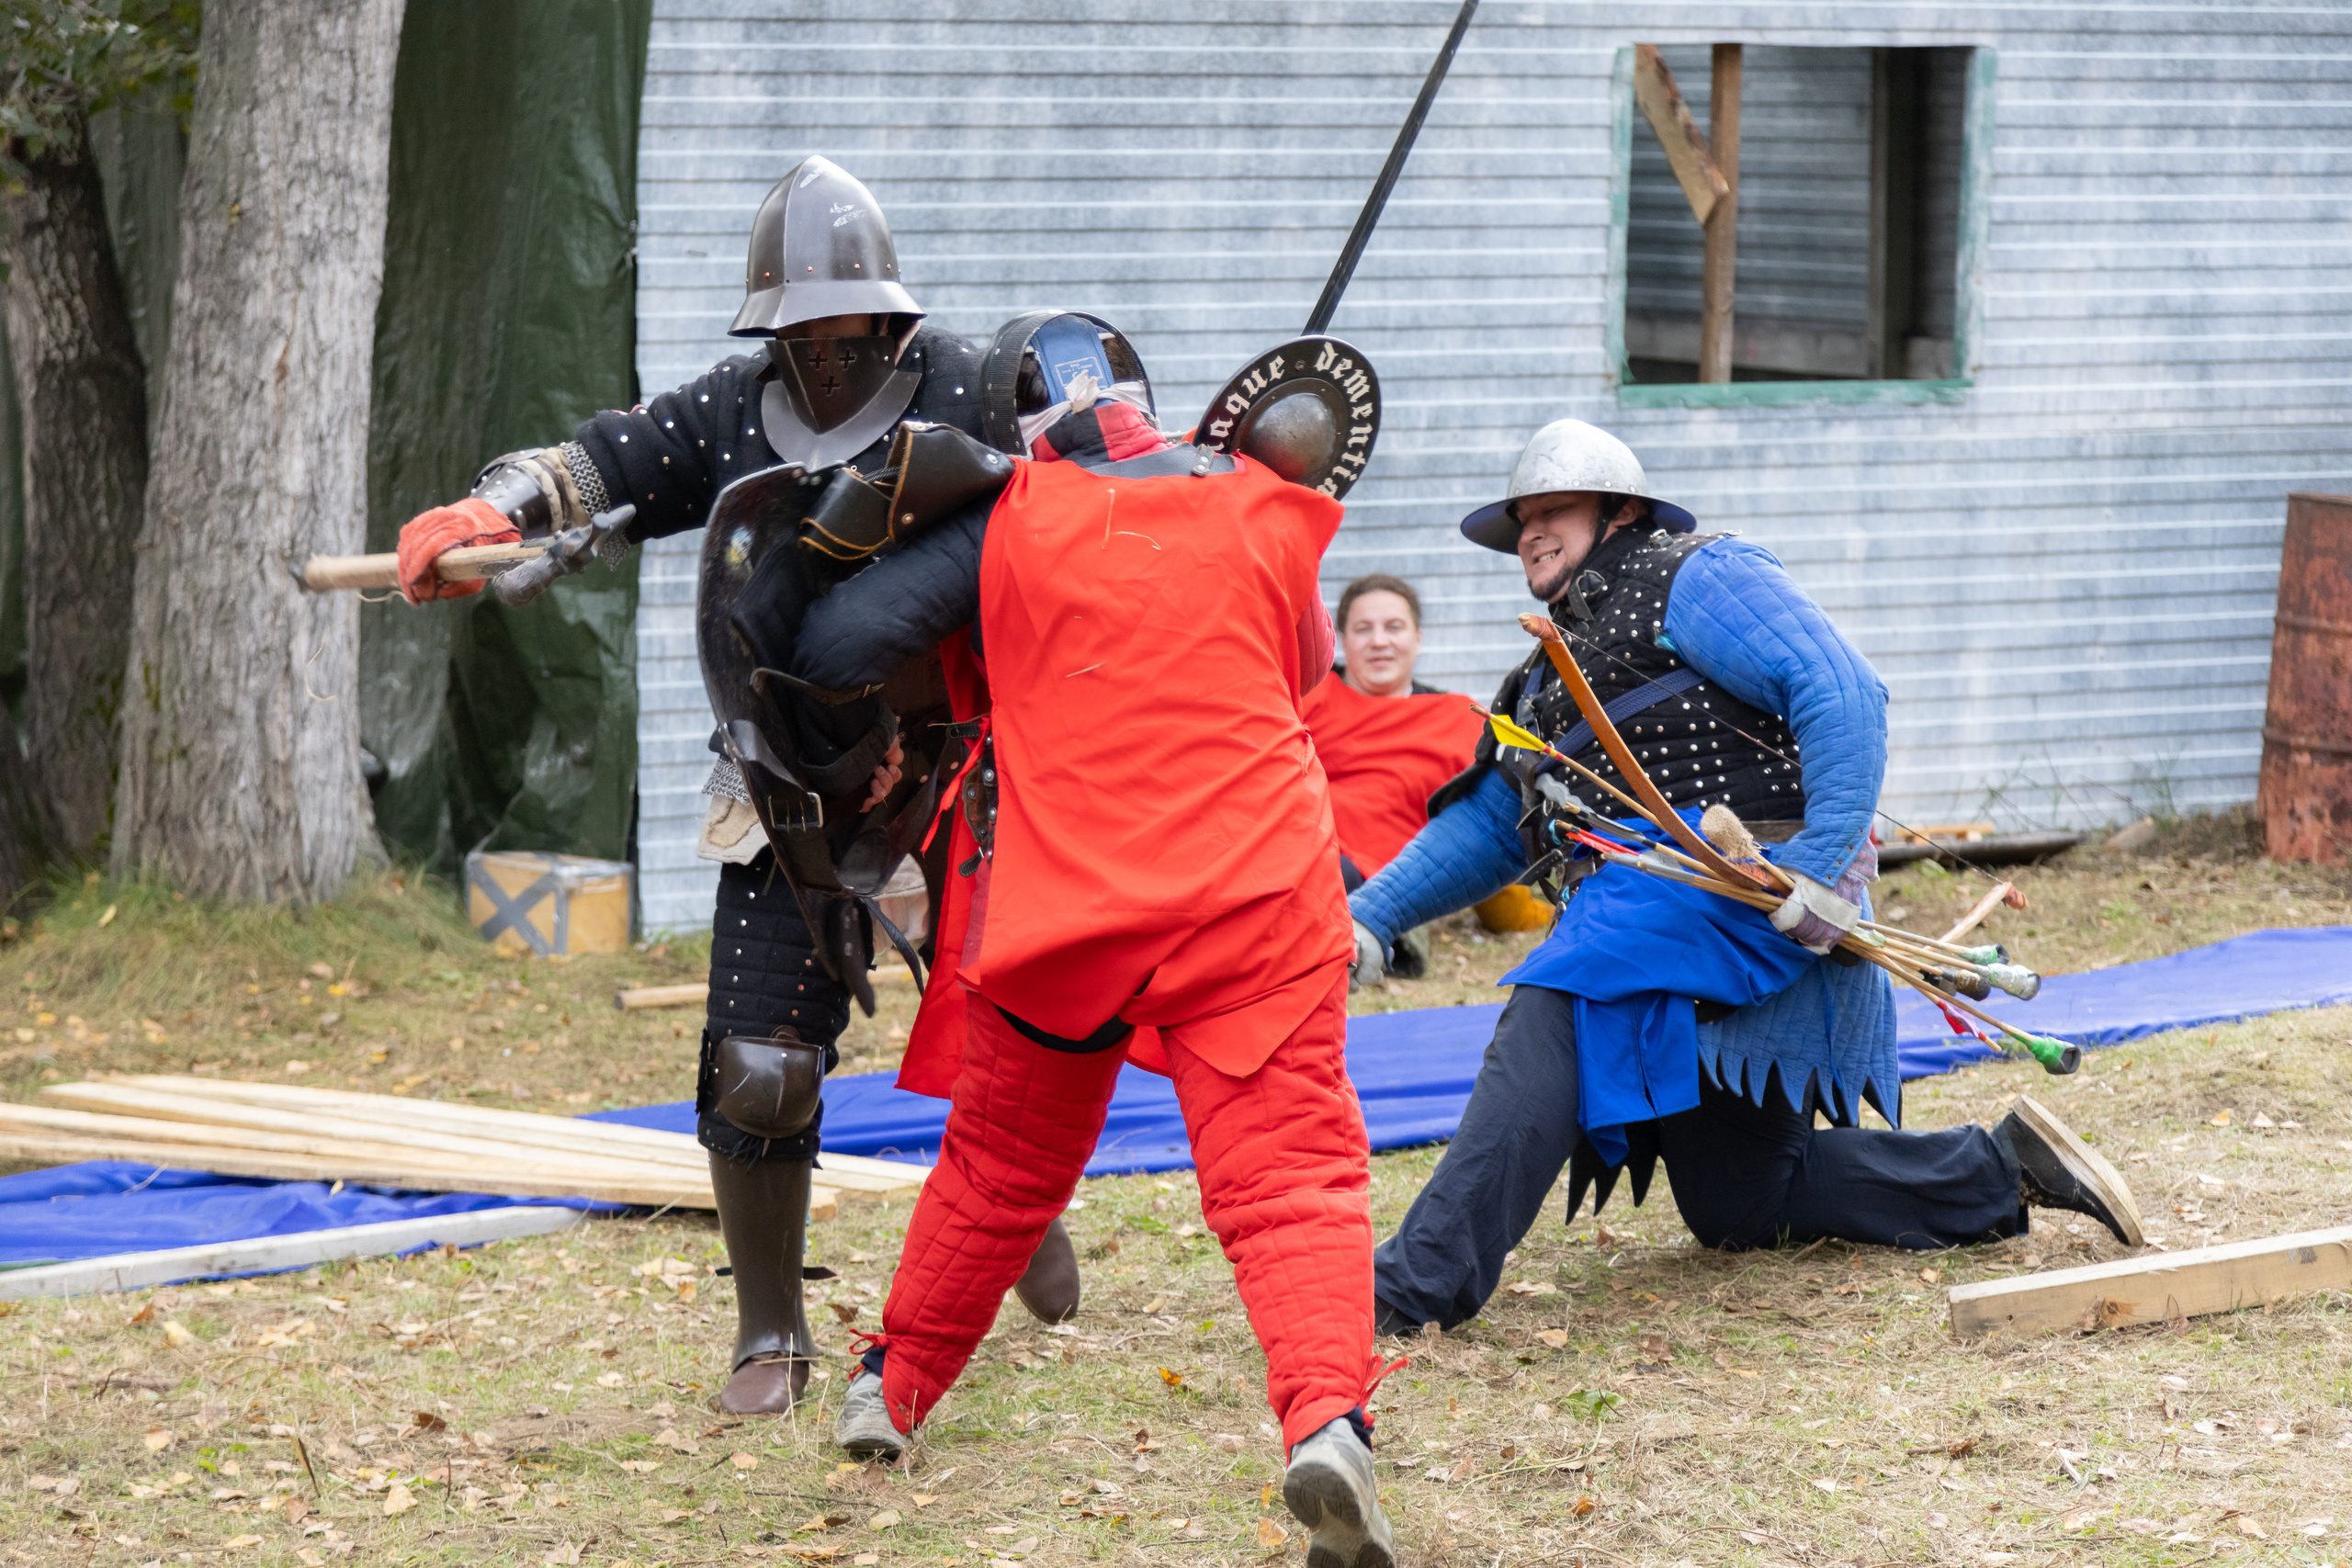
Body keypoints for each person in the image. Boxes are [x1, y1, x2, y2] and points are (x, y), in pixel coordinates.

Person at [390, 156, 1077, 1416]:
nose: (823, 347)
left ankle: (1009, 1209)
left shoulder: (978, 383)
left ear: (887, 311)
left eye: (844, 321)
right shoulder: (725, 412)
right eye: (799, 325)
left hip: (972, 763)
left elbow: (1101, 478)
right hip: (787, 773)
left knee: (1018, 1036)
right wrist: (494, 506)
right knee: (759, 1061)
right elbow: (598, 465)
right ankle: (772, 1329)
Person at [771, 314, 1401, 1567]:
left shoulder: (1003, 522)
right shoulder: (1267, 507)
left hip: (1074, 901)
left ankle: (888, 1387)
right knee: (1291, 1175)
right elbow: (1309, 672)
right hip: (1256, 892)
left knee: (1001, 1164)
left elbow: (833, 648)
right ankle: (1329, 1417)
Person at [1348, 418, 2144, 1336]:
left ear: (1621, 511)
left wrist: (1820, 872)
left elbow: (1840, 688)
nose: (1530, 531)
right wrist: (1365, 919)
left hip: (1732, 885)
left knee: (1558, 999)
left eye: (1553, 510)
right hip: (1662, 906)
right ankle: (1994, 1168)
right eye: (1521, 519)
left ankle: (1410, 1291)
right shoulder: (1538, 682)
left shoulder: (1698, 572)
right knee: (1740, 1199)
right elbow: (1494, 819)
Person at [1302, 576, 1487, 891]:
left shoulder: (1459, 717)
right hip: (1299, 840)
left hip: (1384, 878)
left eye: (1393, 627)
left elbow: (1492, 811)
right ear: (1342, 641)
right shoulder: (1308, 698)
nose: (1378, 641)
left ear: (1417, 637)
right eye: (1363, 629)